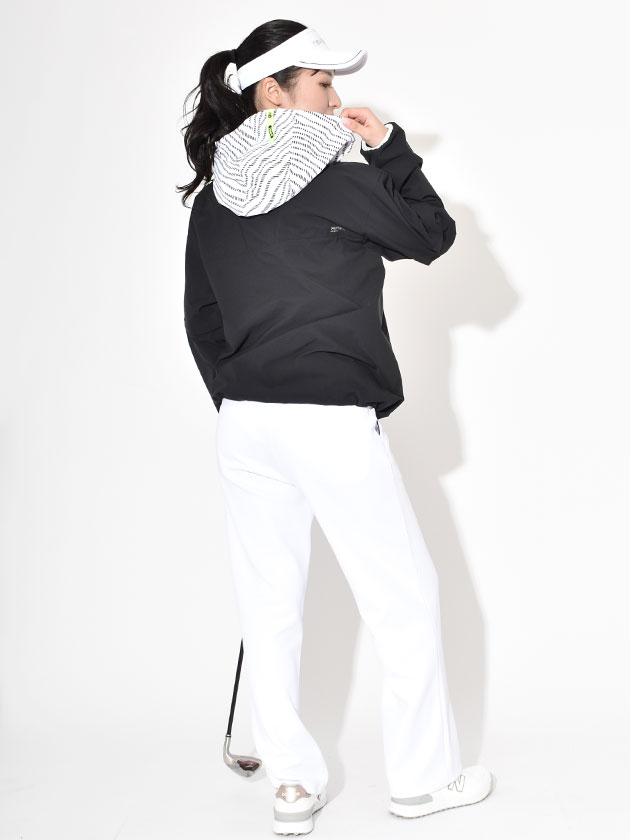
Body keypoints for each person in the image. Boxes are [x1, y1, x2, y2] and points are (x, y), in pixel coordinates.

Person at [177, 18, 494, 835]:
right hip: (327, 420)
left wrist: (243, 397)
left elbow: (201, 318)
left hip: (247, 425)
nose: (336, 97)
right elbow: (432, 234)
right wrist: (388, 146)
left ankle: (291, 787)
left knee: (269, 605)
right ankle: (422, 781)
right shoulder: (336, 181)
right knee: (403, 597)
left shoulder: (214, 197)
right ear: (271, 92)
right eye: (321, 82)